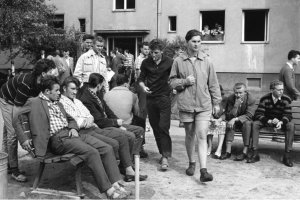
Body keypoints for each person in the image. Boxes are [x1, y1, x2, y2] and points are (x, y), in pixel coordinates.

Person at [13, 76, 131, 199]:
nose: (59, 93)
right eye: (57, 90)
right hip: (58, 139)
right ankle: (109, 191)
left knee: (106, 148)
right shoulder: (34, 102)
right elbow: (16, 117)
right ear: (47, 92)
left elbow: (70, 119)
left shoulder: (57, 103)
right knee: (92, 152)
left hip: (72, 134)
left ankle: (116, 183)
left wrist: (73, 127)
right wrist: (23, 138)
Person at [59, 76, 147, 182]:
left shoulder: (79, 100)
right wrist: (87, 121)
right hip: (86, 131)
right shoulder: (63, 102)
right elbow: (75, 121)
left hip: (94, 127)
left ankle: (127, 169)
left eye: (76, 89)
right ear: (64, 88)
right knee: (116, 142)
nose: (75, 91)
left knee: (124, 137)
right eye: (72, 89)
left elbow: (90, 115)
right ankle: (116, 176)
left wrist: (90, 119)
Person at [169, 29, 221, 182]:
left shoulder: (207, 61)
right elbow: (171, 82)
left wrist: (216, 102)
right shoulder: (178, 61)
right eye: (194, 41)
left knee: (202, 135)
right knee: (190, 135)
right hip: (186, 104)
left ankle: (203, 170)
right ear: (187, 42)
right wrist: (184, 82)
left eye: (199, 41)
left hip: (203, 104)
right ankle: (192, 162)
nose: (197, 44)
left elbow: (213, 83)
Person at [0, 59, 57, 182]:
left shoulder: (41, 83)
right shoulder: (26, 83)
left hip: (16, 100)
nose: (54, 73)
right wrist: (24, 136)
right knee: (13, 135)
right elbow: (17, 113)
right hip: (7, 100)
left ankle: (6, 165)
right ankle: (14, 170)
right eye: (52, 71)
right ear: (43, 74)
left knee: (7, 135)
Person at [77, 73, 145, 160]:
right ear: (99, 85)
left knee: (139, 130)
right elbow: (98, 120)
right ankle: (128, 163)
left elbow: (108, 111)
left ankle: (132, 159)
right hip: (103, 126)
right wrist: (116, 123)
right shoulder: (87, 98)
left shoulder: (99, 94)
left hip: (110, 122)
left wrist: (118, 122)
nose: (103, 87)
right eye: (102, 85)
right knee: (130, 135)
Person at [138, 39, 173, 171]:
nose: (153, 55)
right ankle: (162, 152)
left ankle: (165, 156)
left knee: (163, 127)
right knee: (156, 128)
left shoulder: (170, 62)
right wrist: (143, 86)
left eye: (156, 53)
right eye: (151, 52)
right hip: (150, 98)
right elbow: (140, 78)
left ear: (162, 51)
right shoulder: (146, 62)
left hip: (164, 98)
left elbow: (175, 78)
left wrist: (173, 89)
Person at [248, 80, 294, 167]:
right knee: (255, 124)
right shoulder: (265, 99)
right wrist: (268, 120)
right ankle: (255, 153)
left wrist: (281, 122)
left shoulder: (286, 99)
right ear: (272, 90)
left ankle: (287, 156)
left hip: (280, 122)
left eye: (282, 89)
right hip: (267, 121)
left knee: (291, 125)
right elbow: (258, 114)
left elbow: (288, 115)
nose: (281, 91)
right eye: (279, 89)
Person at [104, 74, 148, 157]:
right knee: (141, 120)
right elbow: (136, 112)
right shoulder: (132, 95)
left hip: (110, 123)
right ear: (125, 84)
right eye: (128, 83)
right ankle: (139, 149)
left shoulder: (106, 94)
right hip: (125, 124)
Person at [219, 83, 256, 161]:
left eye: (240, 93)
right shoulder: (231, 98)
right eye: (236, 92)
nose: (238, 95)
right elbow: (229, 115)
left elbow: (249, 115)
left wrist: (235, 119)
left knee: (247, 124)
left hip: (246, 120)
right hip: (234, 119)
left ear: (245, 92)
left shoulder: (251, 98)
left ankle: (244, 152)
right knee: (229, 123)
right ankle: (228, 152)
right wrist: (236, 106)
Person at [207, 85, 227, 158]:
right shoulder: (208, 99)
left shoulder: (224, 100)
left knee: (222, 124)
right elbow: (207, 111)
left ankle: (219, 149)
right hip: (211, 118)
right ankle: (209, 146)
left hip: (221, 119)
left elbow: (226, 113)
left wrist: (219, 119)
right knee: (208, 124)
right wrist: (211, 118)